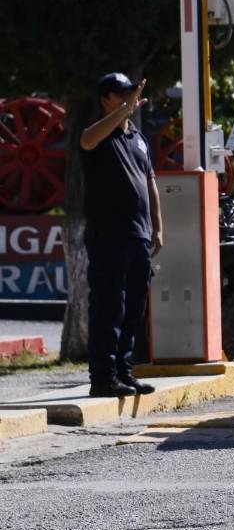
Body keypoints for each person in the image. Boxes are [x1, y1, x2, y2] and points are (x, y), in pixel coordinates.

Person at [80, 73, 164, 397]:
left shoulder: (138, 138)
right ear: (106, 100)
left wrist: (158, 226)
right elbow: (86, 140)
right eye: (121, 95)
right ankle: (103, 377)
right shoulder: (100, 135)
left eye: (130, 94)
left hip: (138, 235)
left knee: (134, 308)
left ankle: (124, 371)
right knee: (109, 306)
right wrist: (122, 112)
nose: (128, 99)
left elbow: (150, 181)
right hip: (108, 235)